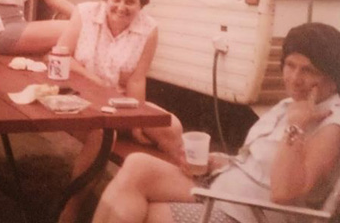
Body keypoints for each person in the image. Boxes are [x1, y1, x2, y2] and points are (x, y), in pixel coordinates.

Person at [92, 22, 340, 223]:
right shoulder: (291, 105)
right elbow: (257, 163)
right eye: (290, 66)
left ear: (332, 76)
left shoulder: (331, 124)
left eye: (309, 71)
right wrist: (218, 162)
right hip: (224, 191)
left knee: (154, 213)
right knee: (137, 165)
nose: (295, 79)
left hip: (250, 214)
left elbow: (284, 193)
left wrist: (294, 128)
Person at [57, 0, 184, 223]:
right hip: (79, 97)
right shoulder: (84, 13)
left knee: (174, 128)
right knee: (105, 134)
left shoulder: (149, 29)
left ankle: (166, 200)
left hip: (120, 103)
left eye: (130, 1)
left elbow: (137, 78)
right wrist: (97, 84)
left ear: (142, 4)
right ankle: (72, 207)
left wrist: (137, 121)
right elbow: (62, 57)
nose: (121, 7)